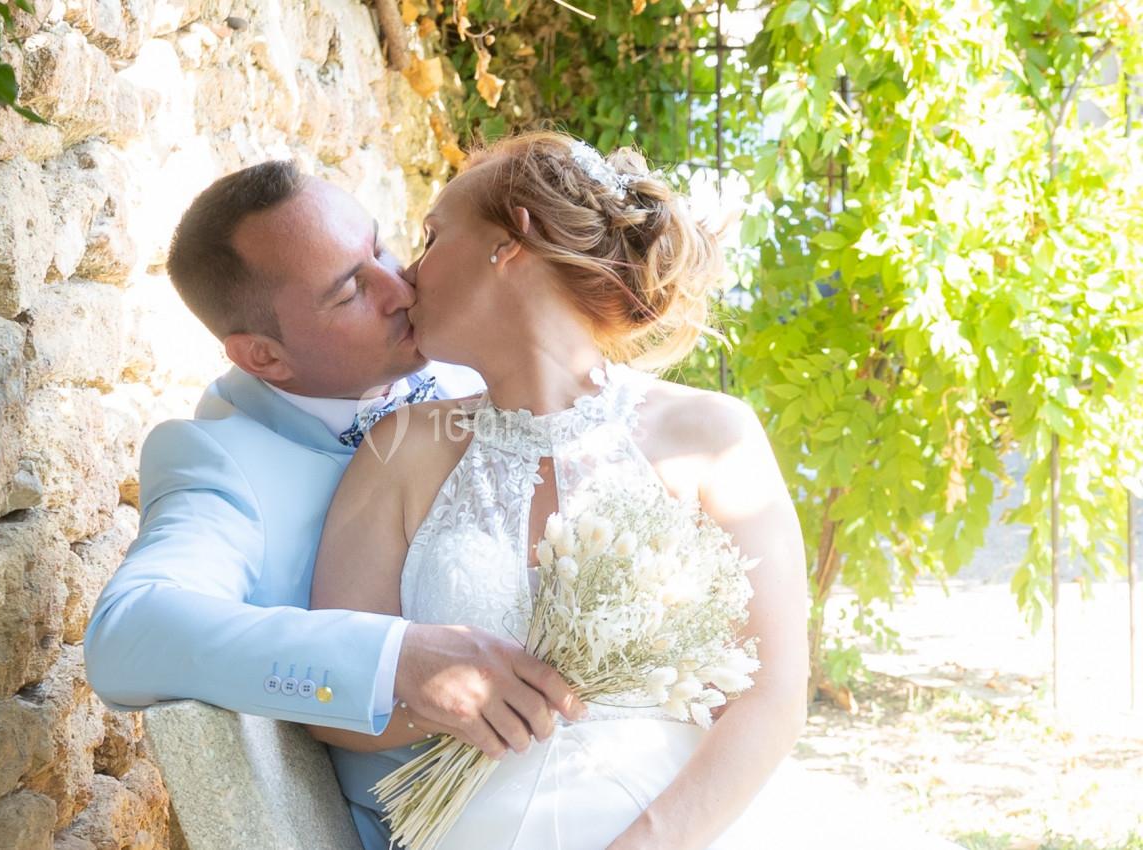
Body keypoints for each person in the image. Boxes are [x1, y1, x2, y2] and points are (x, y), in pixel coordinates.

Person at [309, 131, 964, 850]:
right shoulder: (398, 449)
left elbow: (773, 697)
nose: (407, 274)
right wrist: (439, 702)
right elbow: (332, 701)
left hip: (691, 823)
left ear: (510, 242)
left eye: (432, 237)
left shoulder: (712, 436)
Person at [80, 162, 587, 850]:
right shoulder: (221, 462)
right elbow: (130, 633)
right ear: (264, 355)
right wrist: (397, 660)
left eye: (379, 247)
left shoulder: (479, 363)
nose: (399, 284)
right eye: (351, 289)